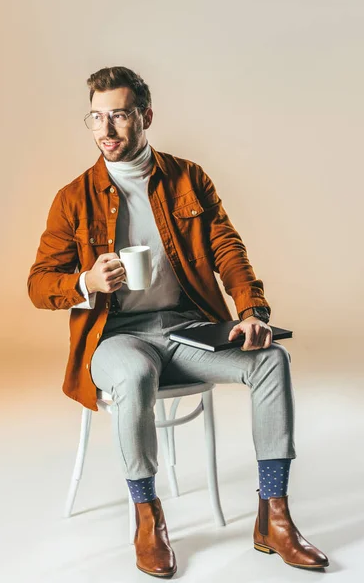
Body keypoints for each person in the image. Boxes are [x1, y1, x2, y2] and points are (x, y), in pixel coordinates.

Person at [27, 66, 329, 577]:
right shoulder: (73, 197)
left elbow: (227, 248)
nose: (106, 130)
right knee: (136, 374)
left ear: (145, 116)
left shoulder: (187, 177)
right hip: (116, 337)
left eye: (119, 116)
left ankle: (274, 517)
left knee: (272, 359)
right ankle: (148, 517)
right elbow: (38, 283)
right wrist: (85, 282)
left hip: (185, 329)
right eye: (96, 118)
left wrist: (251, 311)